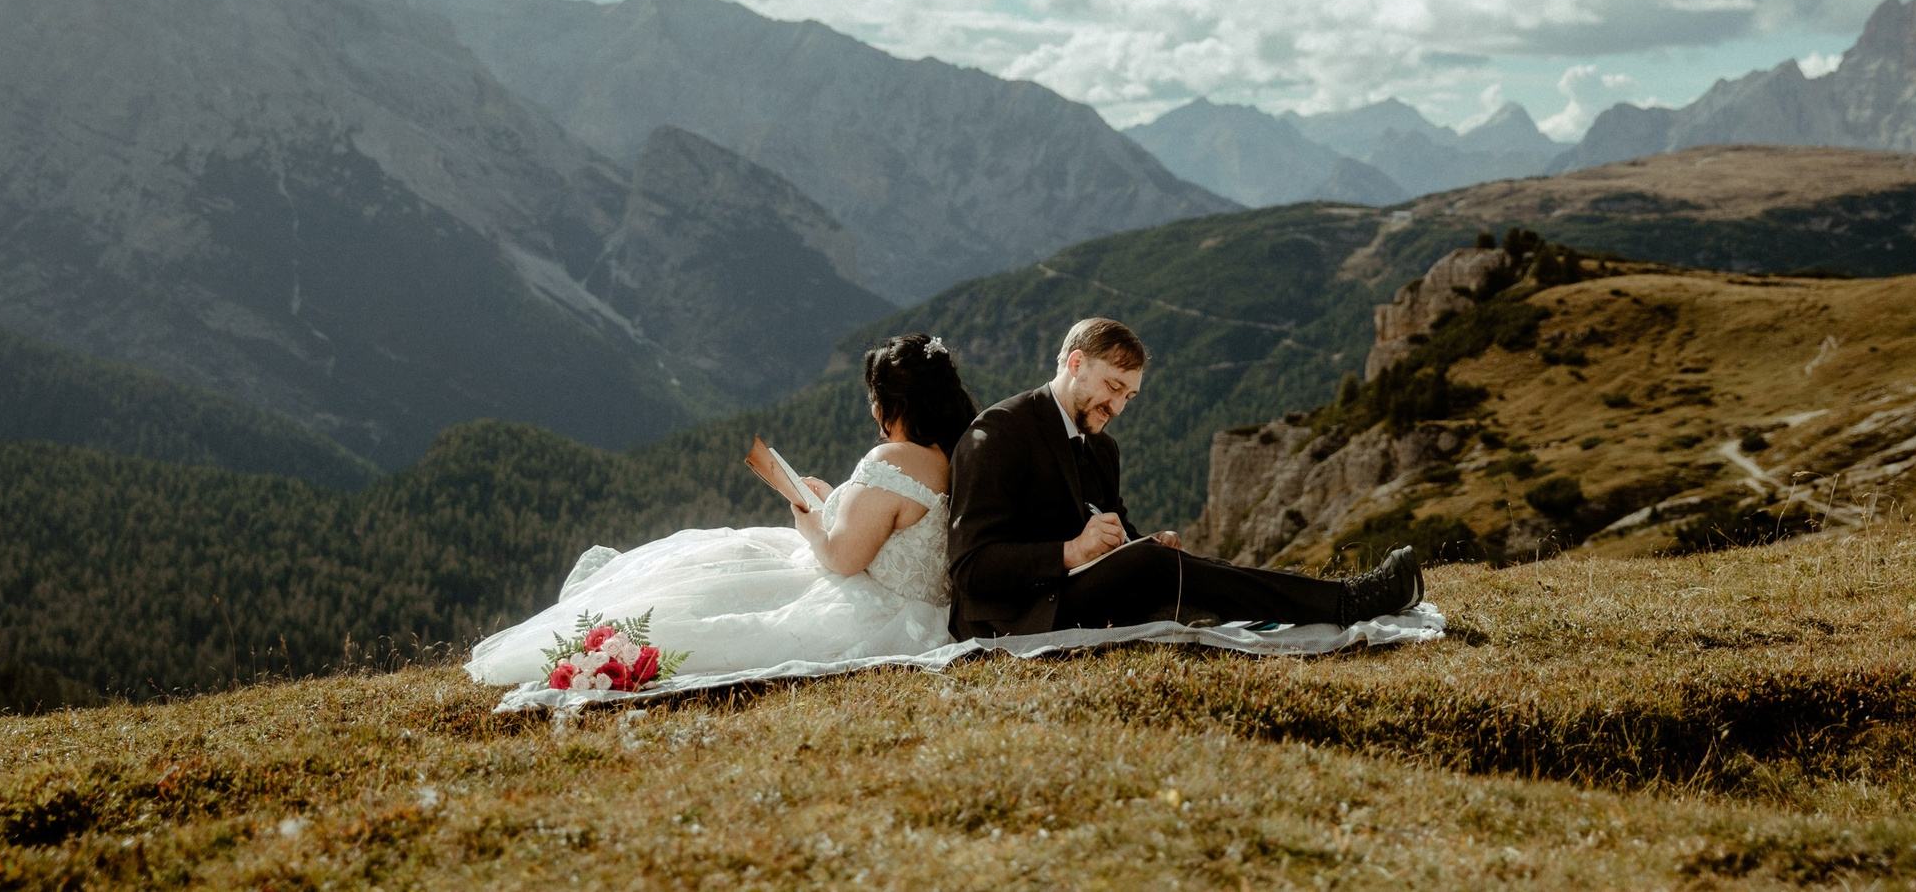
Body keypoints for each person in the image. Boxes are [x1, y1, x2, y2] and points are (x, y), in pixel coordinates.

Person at [464, 334, 976, 685]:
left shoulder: (891, 459)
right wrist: (837, 498)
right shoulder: (953, 454)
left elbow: (843, 556)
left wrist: (809, 520)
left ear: (896, 405)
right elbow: (895, 526)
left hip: (874, 605)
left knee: (721, 588)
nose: (872, 410)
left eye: (875, 398)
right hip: (927, 605)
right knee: (727, 563)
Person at [945, 316, 1423, 639]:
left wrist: (1143, 542)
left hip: (1073, 594)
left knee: (1155, 558)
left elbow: (1118, 534)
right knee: (1151, 567)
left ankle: (1316, 601)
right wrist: (1071, 551)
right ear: (1075, 365)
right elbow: (970, 569)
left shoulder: (1103, 447)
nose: (1117, 407)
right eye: (1113, 387)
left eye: (1129, 398)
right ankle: (1344, 601)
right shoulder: (999, 433)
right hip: (1010, 617)